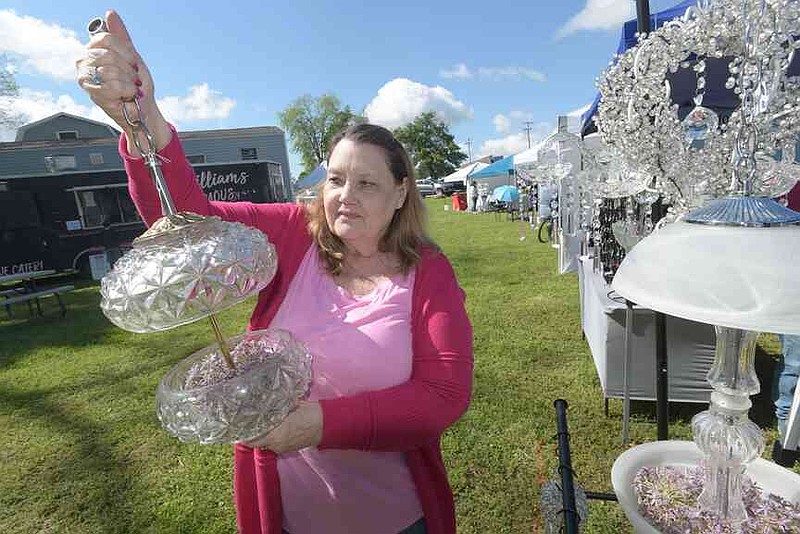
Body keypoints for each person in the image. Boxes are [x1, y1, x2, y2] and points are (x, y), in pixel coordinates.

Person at [77, 11, 473, 534]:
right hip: (286, 516)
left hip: (398, 518)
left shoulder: (428, 272)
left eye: (367, 184)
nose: (345, 197)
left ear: (401, 194)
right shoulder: (293, 234)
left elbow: (441, 397)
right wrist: (142, 119)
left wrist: (318, 425)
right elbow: (185, 221)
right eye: (335, 179)